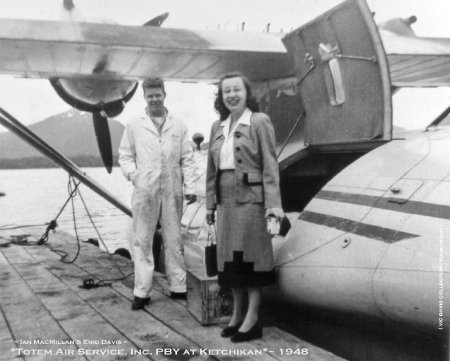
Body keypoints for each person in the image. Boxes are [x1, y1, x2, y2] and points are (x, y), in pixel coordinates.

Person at [205, 72, 284, 342]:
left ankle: (253, 318)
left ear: (246, 92)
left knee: (251, 260)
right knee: (231, 262)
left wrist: (273, 206)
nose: (232, 95)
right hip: (225, 202)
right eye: (226, 91)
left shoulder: (259, 121)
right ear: (221, 96)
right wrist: (209, 204)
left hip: (252, 199)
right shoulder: (218, 127)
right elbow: (211, 171)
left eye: (236, 89)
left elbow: (271, 166)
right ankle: (237, 315)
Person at [119, 78, 197, 310]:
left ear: (165, 94)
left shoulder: (179, 125)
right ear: (144, 97)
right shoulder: (134, 125)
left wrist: (190, 187)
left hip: (172, 189)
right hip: (145, 191)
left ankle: (178, 287)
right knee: (142, 240)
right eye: (150, 95)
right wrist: (135, 176)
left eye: (158, 94)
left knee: (174, 240)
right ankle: (142, 291)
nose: (155, 99)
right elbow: (125, 155)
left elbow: (188, 159)